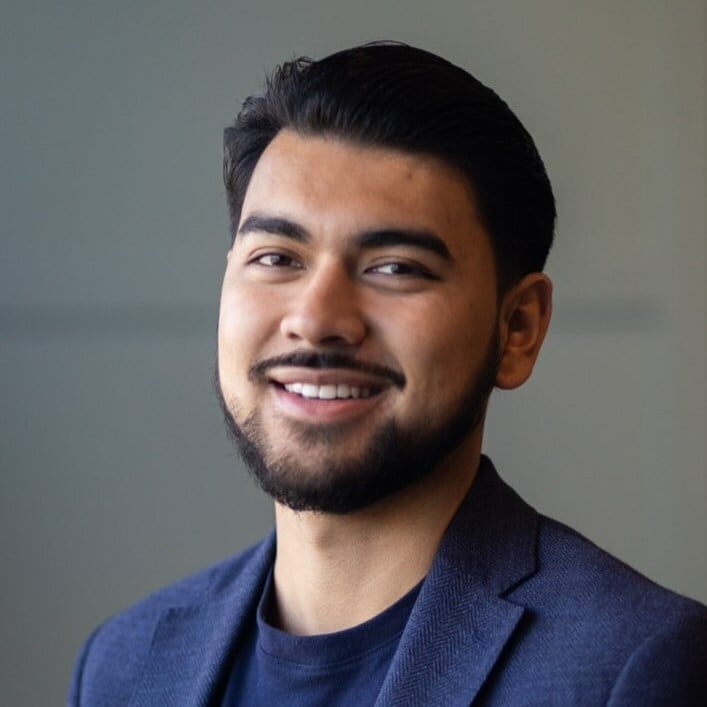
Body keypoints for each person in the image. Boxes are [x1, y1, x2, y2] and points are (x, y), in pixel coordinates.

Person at [69, 42, 707, 706]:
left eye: (395, 268)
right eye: (277, 257)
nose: (316, 319)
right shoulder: (122, 665)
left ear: (517, 328)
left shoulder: (633, 665)